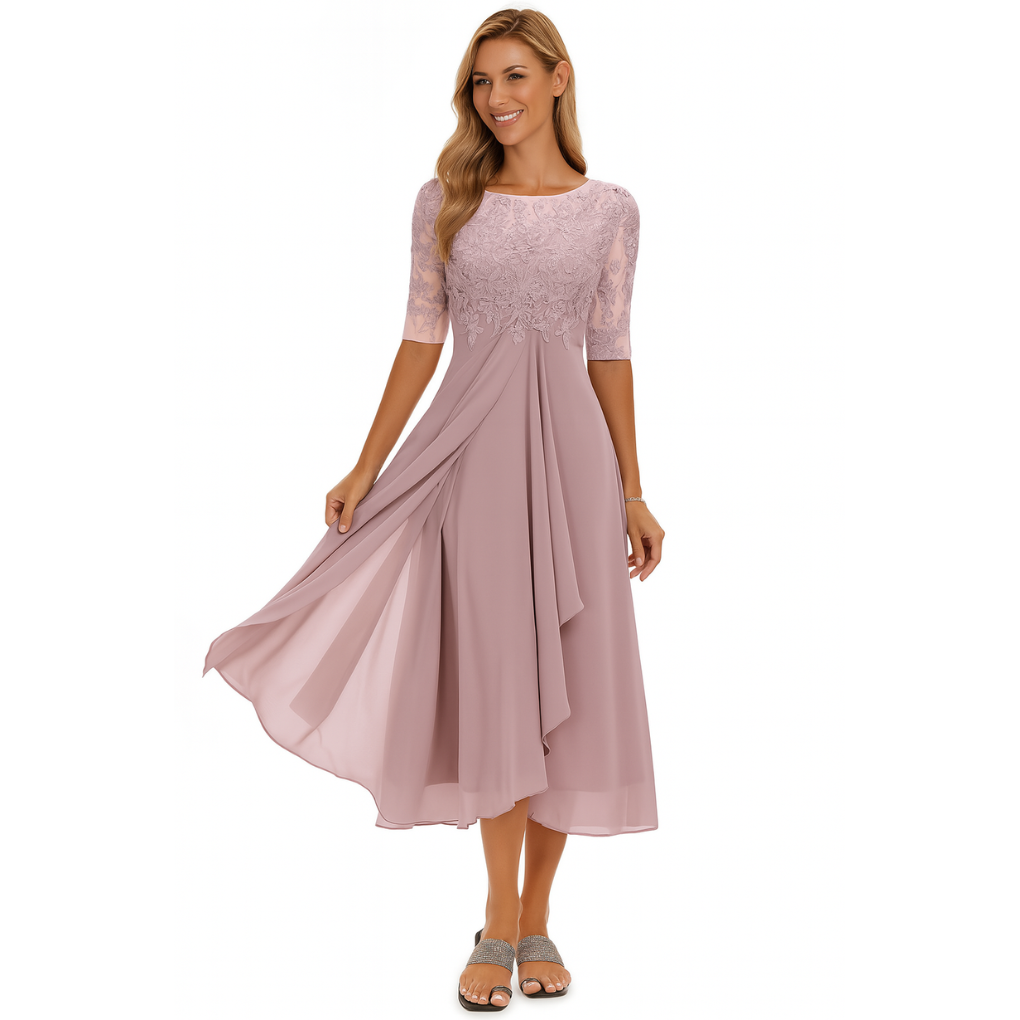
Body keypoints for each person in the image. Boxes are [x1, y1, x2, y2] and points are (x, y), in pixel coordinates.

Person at [203, 7, 665, 1012]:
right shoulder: (446, 201)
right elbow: (420, 339)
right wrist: (365, 464)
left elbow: (612, 350)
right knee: (502, 688)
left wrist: (634, 488)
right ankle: (497, 921)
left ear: (558, 78)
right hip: (474, 462)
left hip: (577, 466)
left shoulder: (612, 211)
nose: (495, 98)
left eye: (513, 76)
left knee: (576, 692)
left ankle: (535, 917)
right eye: (480, 82)